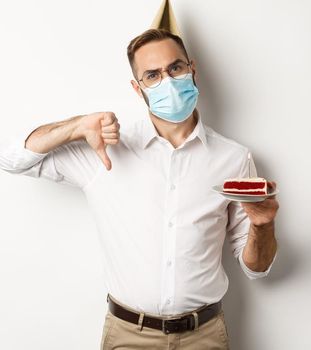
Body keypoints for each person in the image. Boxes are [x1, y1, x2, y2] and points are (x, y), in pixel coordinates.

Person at [0, 27, 279, 350]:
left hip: (203, 336)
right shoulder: (105, 149)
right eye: (152, 75)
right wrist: (77, 126)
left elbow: (256, 269)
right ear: (138, 88)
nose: (168, 81)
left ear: (192, 70)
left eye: (175, 68)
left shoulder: (233, 158)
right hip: (129, 336)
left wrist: (263, 225)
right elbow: (11, 159)